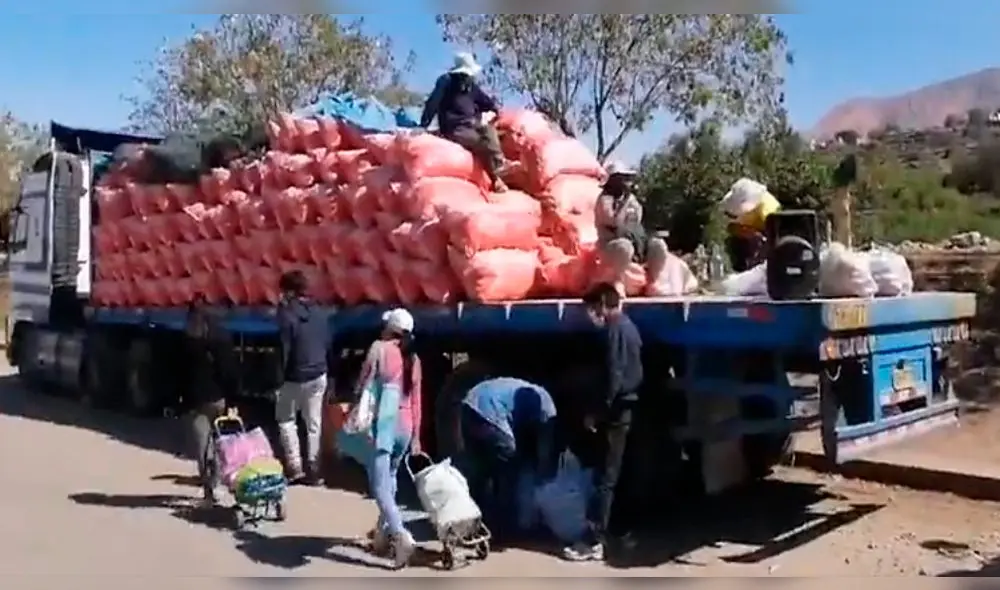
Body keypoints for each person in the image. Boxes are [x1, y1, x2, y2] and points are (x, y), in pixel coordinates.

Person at [563, 283, 643, 562]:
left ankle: (593, 541)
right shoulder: (629, 328)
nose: (590, 317)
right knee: (619, 473)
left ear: (601, 306)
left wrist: (597, 412)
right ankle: (619, 532)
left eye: (591, 310)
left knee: (605, 478)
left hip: (616, 411)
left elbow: (614, 376)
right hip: (626, 408)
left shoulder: (615, 331)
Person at [361, 308, 423, 569]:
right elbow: (417, 400)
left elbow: (363, 382)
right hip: (406, 426)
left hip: (384, 424)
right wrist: (417, 437)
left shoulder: (379, 349)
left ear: (389, 328)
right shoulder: (414, 358)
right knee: (391, 481)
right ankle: (382, 536)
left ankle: (400, 535)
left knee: (379, 487)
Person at [460, 377, 557, 543]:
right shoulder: (548, 408)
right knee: (509, 470)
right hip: (489, 411)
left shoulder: (530, 393)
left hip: (468, 406)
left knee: (480, 471)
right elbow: (544, 445)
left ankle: (471, 523)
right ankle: (503, 529)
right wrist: (544, 471)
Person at [420, 52, 509, 192]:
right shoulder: (446, 82)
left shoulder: (471, 87)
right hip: (455, 127)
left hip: (474, 123)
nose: (468, 78)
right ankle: (496, 179)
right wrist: (424, 124)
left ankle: (500, 165)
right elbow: (433, 102)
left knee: (490, 133)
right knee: (480, 143)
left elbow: (488, 103)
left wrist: (492, 112)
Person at [180, 301, 240, 507]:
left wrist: (179, 400)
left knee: (203, 446)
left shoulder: (187, 341)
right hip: (218, 399)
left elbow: (178, 374)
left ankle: (210, 489)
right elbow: (229, 372)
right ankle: (217, 483)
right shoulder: (221, 338)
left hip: (196, 401)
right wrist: (233, 399)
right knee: (220, 443)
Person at [275, 269, 331, 486]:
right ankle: (315, 469)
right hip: (318, 372)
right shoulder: (319, 312)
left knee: (286, 420)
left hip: (294, 375)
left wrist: (278, 377)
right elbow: (327, 343)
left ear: (288, 292)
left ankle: (295, 467)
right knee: (313, 423)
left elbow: (284, 346)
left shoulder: (286, 313)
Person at [595, 161, 668, 288]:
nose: (626, 181)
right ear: (613, 180)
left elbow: (637, 219)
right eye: (622, 178)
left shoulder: (632, 200)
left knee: (658, 245)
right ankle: (616, 281)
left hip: (635, 243)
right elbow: (615, 222)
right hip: (610, 246)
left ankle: (653, 281)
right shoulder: (604, 200)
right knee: (624, 246)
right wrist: (624, 203)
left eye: (626, 178)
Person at [719, 177, 782, 272]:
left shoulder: (768, 210)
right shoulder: (741, 210)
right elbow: (731, 226)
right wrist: (748, 233)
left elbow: (775, 237)